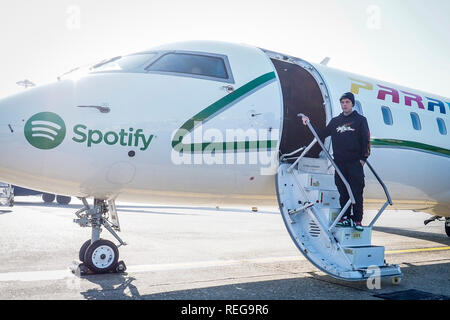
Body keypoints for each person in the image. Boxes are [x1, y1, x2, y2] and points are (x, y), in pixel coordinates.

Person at [301, 92, 370, 231]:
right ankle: (344, 218)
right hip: (339, 163)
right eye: (342, 102)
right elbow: (321, 133)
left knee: (356, 191)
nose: (344, 105)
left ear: (352, 104)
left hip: (355, 162)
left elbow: (366, 140)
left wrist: (363, 159)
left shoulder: (360, 120)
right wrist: (309, 123)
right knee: (342, 191)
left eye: (347, 102)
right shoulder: (335, 121)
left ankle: (357, 220)